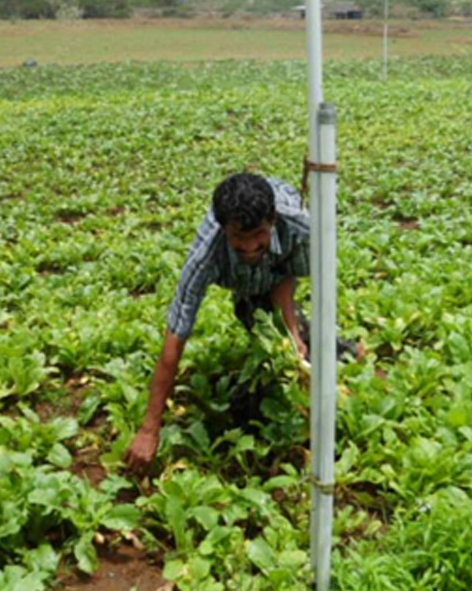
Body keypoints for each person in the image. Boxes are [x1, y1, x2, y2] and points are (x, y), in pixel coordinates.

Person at [124, 172, 358, 474]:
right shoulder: (204, 257)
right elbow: (176, 335)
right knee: (259, 327)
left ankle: (342, 349)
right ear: (224, 230)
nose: (249, 246)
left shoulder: (301, 229)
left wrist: (290, 332)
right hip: (242, 281)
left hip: (277, 269)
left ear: (272, 220)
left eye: (258, 235)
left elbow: (287, 276)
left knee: (293, 343)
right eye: (239, 238)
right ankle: (334, 349)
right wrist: (149, 429)